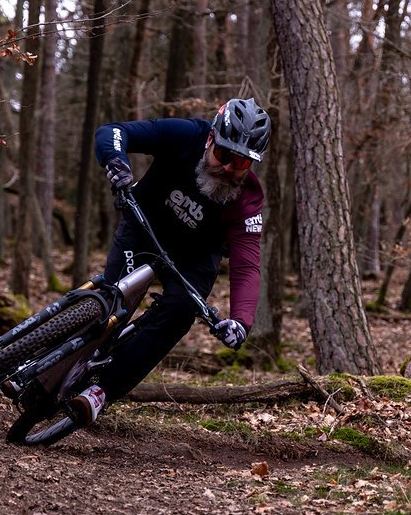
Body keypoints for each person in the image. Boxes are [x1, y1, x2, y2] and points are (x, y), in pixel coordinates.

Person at [68, 98, 272, 426]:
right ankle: (49, 358)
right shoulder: (185, 134)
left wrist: (240, 321)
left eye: (242, 163)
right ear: (210, 139)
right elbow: (113, 132)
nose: (229, 168)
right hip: (144, 226)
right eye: (223, 155)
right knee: (113, 298)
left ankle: (101, 391)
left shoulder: (248, 198)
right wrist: (116, 161)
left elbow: (247, 265)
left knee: (179, 314)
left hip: (194, 260)